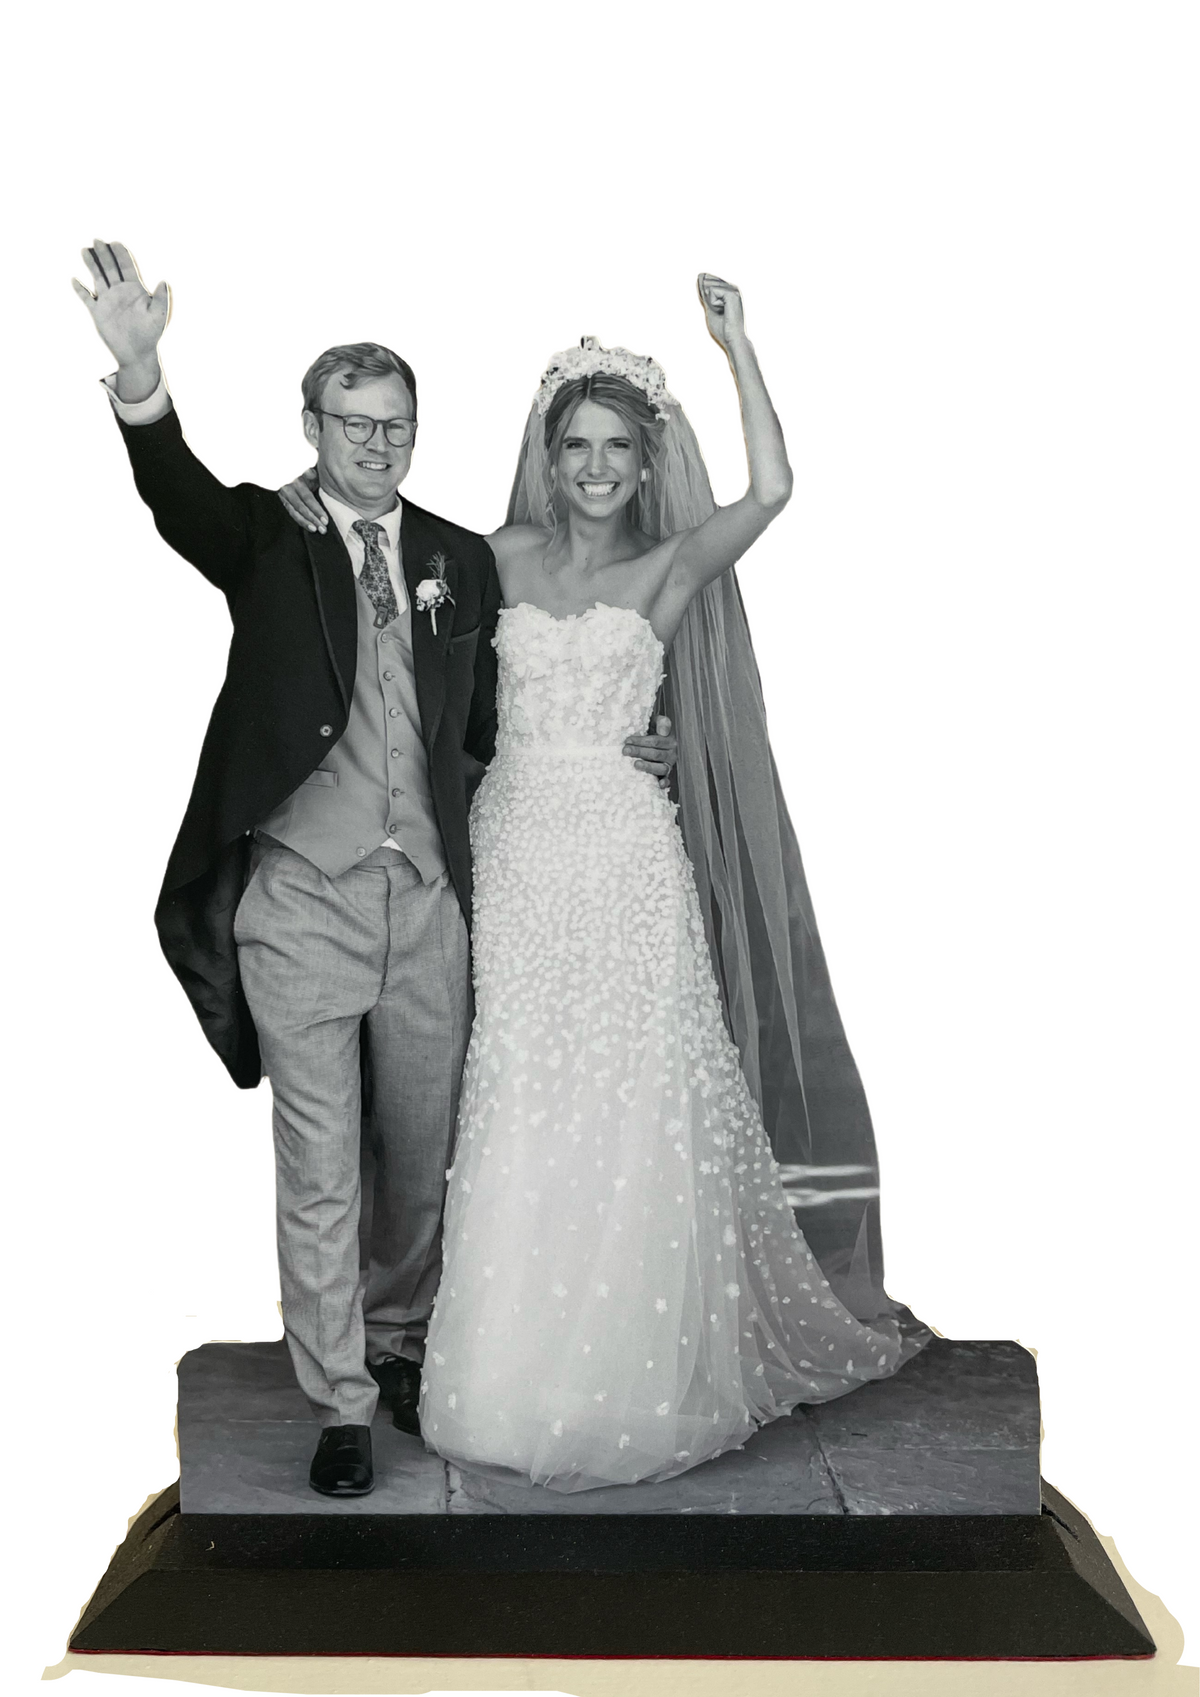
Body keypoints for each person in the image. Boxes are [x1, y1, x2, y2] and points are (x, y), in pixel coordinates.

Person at [284, 277, 928, 1493]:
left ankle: (633, 1371)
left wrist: (737, 347)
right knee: (520, 1086)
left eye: (616, 448)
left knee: (632, 1091)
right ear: (549, 456)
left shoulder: (670, 569)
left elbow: (772, 491)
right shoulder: (491, 557)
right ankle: (507, 1367)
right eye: (575, 446)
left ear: (645, 462)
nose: (594, 467)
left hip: (628, 851)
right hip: (518, 846)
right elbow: (396, 601)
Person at [71, 240, 676, 1500]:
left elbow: (498, 721)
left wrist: (631, 737)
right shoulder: (267, 535)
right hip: (303, 899)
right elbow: (175, 494)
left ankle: (400, 1343)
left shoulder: (458, 554)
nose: (377, 444)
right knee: (319, 1163)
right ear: (313, 427)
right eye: (354, 422)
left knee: (422, 1153)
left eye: (396, 423)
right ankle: (341, 1399)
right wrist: (140, 377)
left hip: (430, 903)